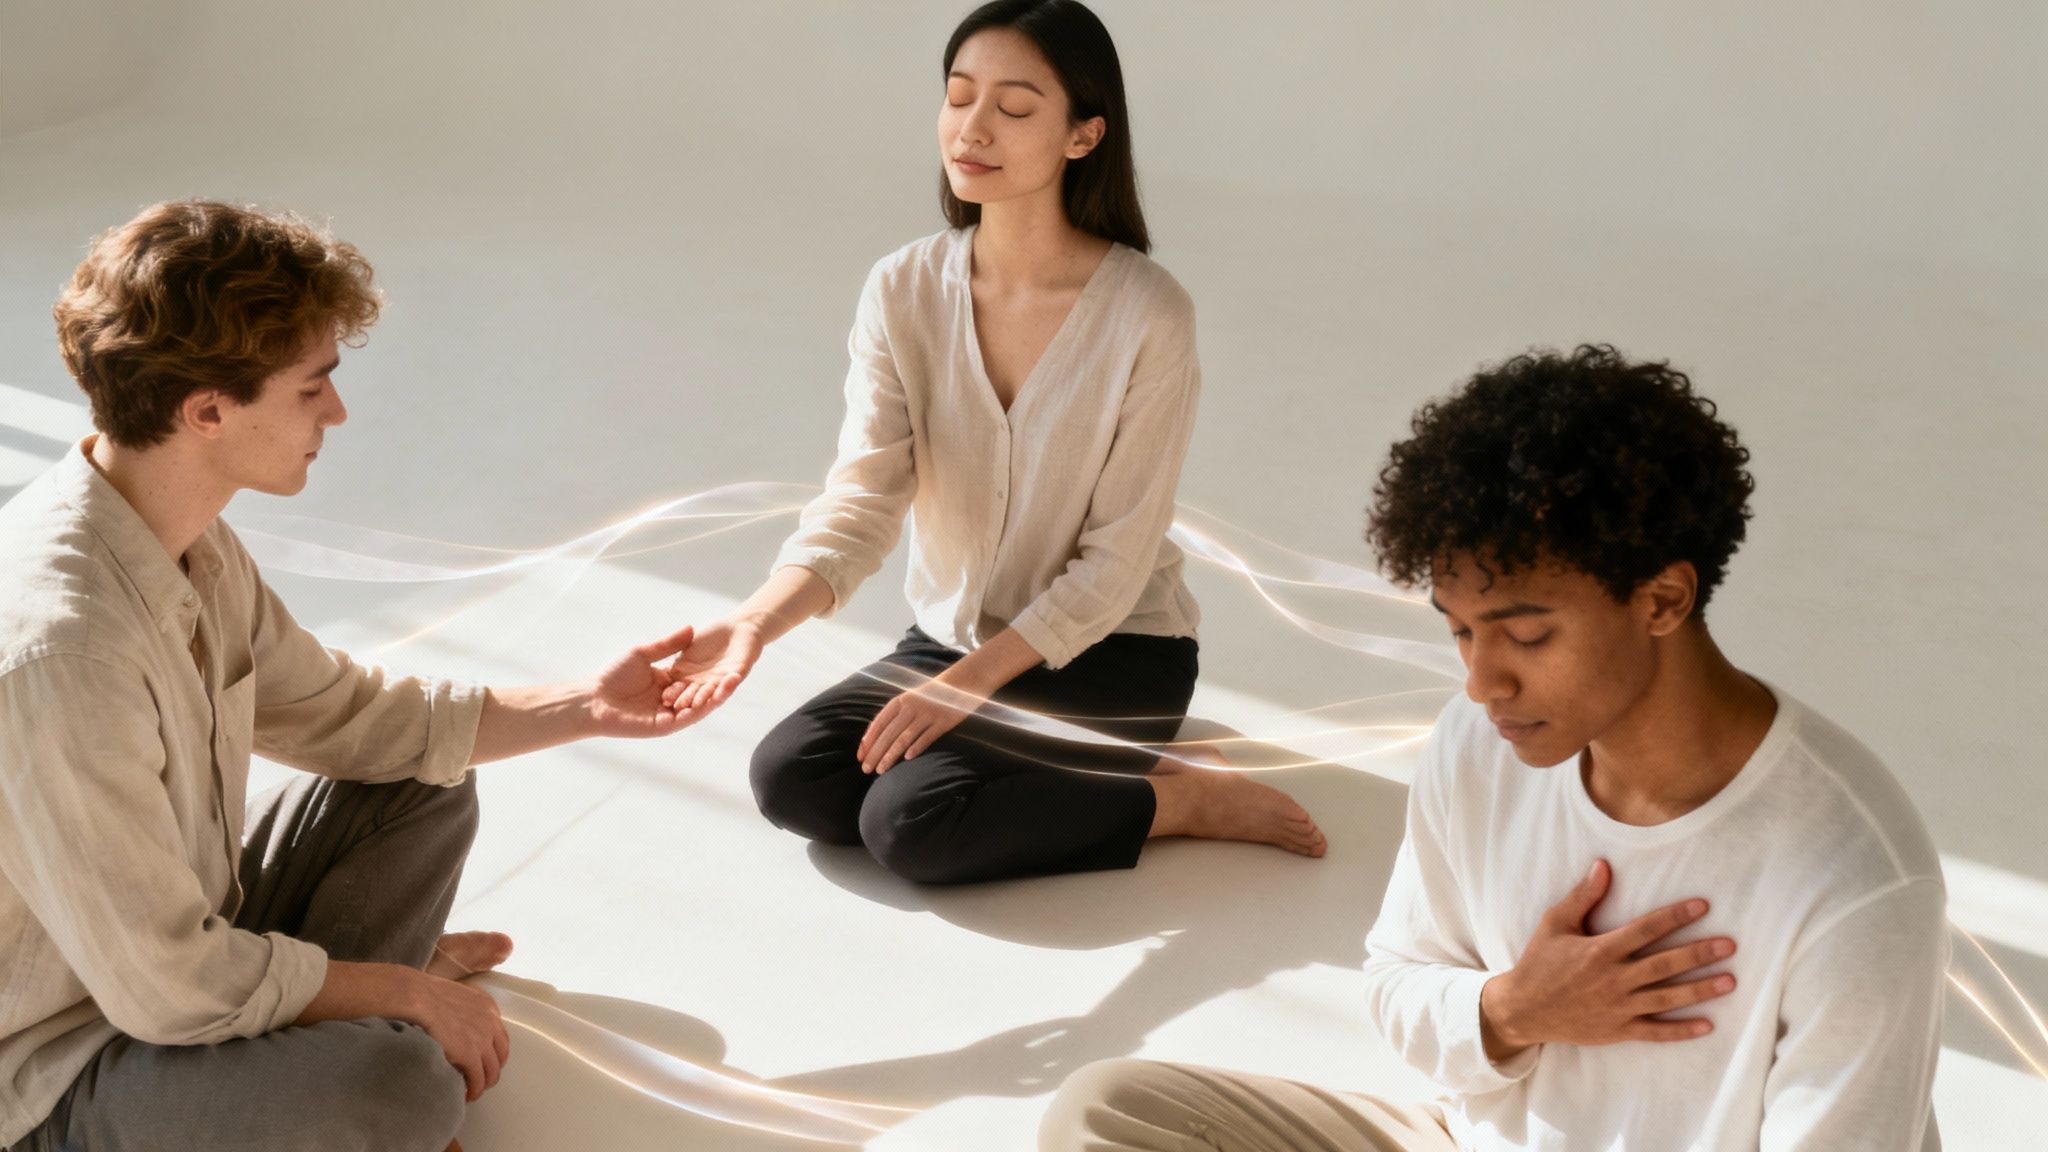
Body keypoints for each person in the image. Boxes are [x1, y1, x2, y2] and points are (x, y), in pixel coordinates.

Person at [1040, 345, 1947, 1150]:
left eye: (1527, 634)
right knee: (1109, 1114)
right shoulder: (1480, 743)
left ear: (1663, 599)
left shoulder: (1850, 875)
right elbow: (1400, 978)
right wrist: (1514, 1009)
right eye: (1462, 631)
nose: (1482, 683)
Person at [0, 200, 718, 1152]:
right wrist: (399, 987)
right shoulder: (68, 645)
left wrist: (589, 704)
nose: (335, 412)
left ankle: (321, 1040)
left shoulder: (181, 539)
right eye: (312, 387)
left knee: (423, 782)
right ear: (208, 410)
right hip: (65, 1064)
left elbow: (348, 716)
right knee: (397, 1087)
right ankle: (348, 1049)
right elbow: (166, 987)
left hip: (169, 961)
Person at [663, 0, 1324, 885]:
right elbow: (862, 500)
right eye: (958, 96)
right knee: (794, 781)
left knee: (912, 824)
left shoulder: (1148, 314)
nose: (972, 128)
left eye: (1013, 108)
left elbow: (1116, 562)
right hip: (952, 638)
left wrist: (968, 686)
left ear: (1084, 135)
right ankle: (1041, 767)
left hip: (1113, 653)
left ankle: (1179, 800)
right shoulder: (901, 289)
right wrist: (754, 622)